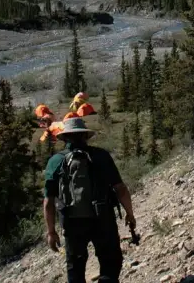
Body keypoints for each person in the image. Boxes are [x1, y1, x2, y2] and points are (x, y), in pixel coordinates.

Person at [44, 117, 136, 283]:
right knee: (110, 261)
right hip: (102, 217)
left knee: (75, 267)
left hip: (72, 221)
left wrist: (51, 231)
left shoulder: (55, 161)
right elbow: (120, 188)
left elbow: (49, 201)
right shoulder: (101, 156)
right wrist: (130, 214)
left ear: (65, 138)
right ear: (85, 136)